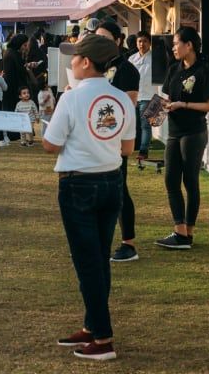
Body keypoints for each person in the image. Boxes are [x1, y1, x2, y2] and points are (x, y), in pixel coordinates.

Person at [42, 34, 135, 362]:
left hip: (78, 183)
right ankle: (92, 325)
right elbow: (127, 148)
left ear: (85, 62)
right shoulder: (123, 99)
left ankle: (103, 338)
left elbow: (50, 144)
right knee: (98, 258)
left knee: (88, 263)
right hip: (111, 181)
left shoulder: (71, 99)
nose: (70, 62)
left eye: (75, 57)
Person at [156, 26, 209, 250]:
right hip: (174, 131)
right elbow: (168, 97)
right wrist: (161, 108)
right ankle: (179, 230)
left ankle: (188, 232)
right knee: (171, 180)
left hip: (194, 132)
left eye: (176, 43)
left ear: (189, 45)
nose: (173, 47)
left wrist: (185, 105)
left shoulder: (203, 72)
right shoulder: (174, 69)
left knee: (190, 181)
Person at [93, 21, 142, 264]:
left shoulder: (127, 69)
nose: (99, 41)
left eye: (104, 37)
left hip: (116, 139)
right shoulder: (95, 67)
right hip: (94, 139)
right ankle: (97, 242)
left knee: (119, 189)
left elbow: (129, 104)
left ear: (118, 40)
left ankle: (128, 243)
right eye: (96, 37)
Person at [0, 33, 31, 145]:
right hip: (12, 87)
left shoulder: (10, 52)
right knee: (13, 110)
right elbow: (20, 71)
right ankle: (13, 133)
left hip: (11, 86)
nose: (25, 47)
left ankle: (14, 133)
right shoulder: (13, 54)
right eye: (24, 45)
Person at [128, 31, 154, 159]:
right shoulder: (132, 59)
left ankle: (143, 151)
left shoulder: (155, 58)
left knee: (146, 125)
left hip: (148, 96)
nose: (142, 44)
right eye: (139, 41)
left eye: (144, 41)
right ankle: (132, 147)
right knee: (132, 124)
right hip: (133, 96)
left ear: (149, 43)